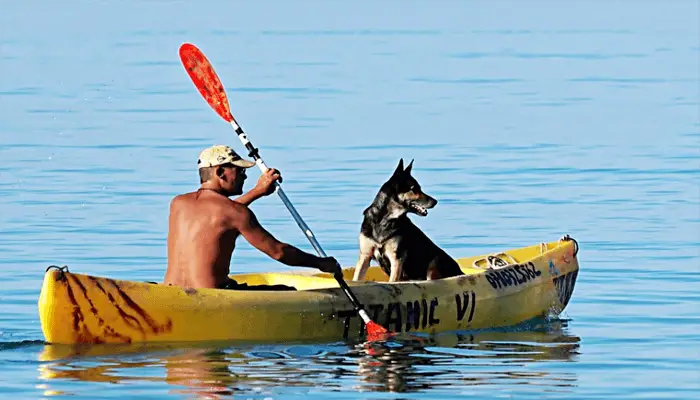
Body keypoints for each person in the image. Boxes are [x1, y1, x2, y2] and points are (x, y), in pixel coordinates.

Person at [163, 144, 340, 291]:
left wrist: (257, 192)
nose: (244, 174)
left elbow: (217, 216)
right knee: (289, 292)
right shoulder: (235, 213)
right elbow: (279, 252)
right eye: (239, 170)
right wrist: (321, 263)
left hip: (171, 293)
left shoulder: (178, 204)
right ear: (220, 172)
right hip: (213, 297)